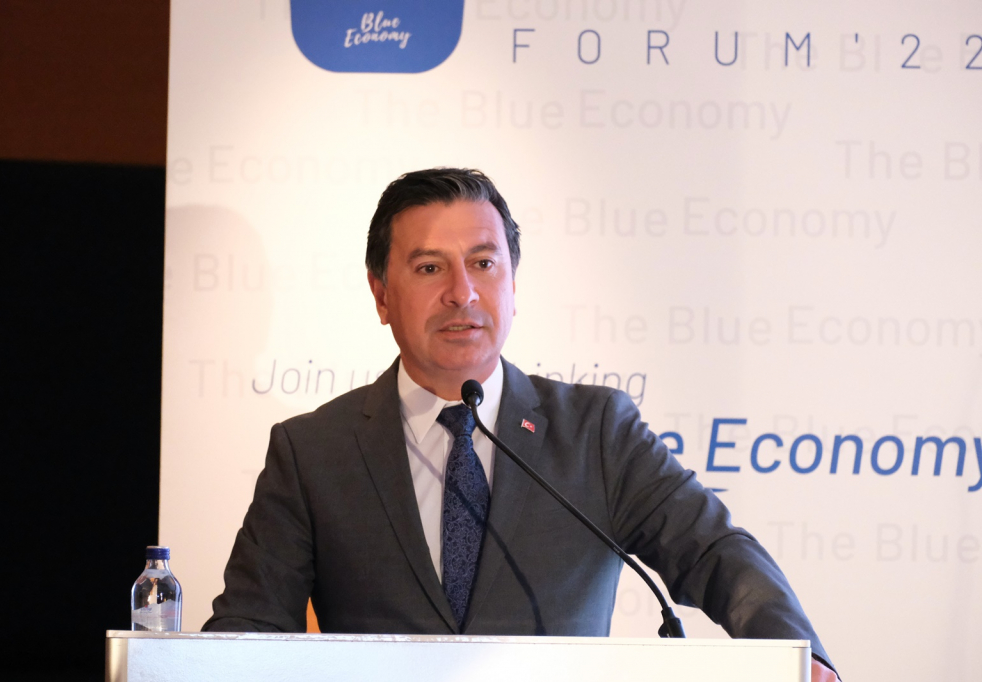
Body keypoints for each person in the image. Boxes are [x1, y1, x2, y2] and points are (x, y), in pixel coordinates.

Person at [203, 168, 839, 681]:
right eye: (429, 268)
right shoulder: (313, 452)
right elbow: (248, 629)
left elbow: (712, 551)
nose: (462, 293)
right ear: (381, 294)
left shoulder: (597, 433)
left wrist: (799, 655)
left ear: (513, 283)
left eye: (484, 264)